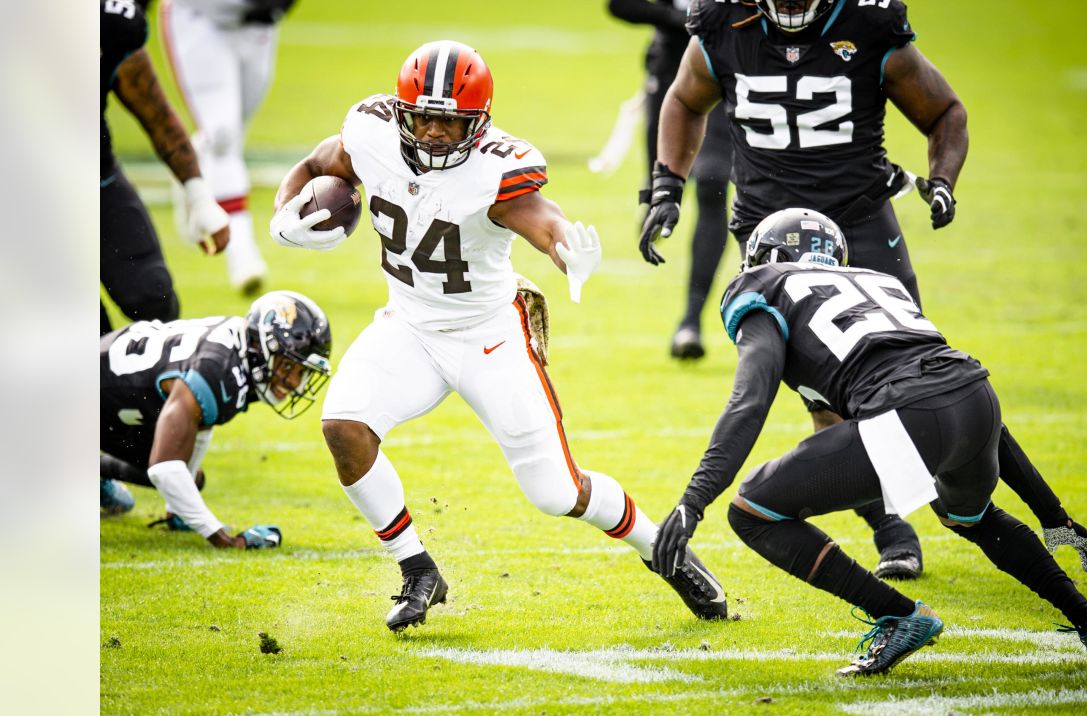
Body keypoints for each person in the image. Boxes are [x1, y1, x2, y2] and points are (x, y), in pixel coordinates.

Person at [268, 41, 728, 632]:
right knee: (344, 427)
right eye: (423, 117)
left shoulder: (496, 167)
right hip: (409, 323)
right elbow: (315, 166)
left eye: (449, 121)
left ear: (479, 123)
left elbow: (544, 222)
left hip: (489, 335)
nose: (433, 132)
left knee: (556, 491)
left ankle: (662, 547)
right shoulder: (371, 131)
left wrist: (570, 255)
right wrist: (285, 215)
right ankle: (417, 570)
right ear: (402, 111)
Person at [639, 0, 1070, 582]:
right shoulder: (723, 23)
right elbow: (686, 99)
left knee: (914, 364)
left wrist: (942, 181)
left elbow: (945, 111)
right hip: (773, 235)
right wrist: (667, 185)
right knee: (826, 390)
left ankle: (960, 504)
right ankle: (892, 524)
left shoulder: (868, 23)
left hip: (861, 219)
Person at [651, 208, 1087, 675]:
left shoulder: (764, 286)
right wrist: (1053, 515)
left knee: (753, 510)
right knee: (970, 515)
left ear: (764, 255)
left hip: (908, 414)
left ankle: (898, 613)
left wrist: (693, 503)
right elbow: (950, 389)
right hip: (977, 398)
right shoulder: (876, 281)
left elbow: (749, 402)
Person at [100, 290, 333, 550]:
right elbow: (164, 468)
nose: (293, 382)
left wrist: (179, 512)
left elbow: (202, 419)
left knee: (189, 480)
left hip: (116, 399)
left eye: (302, 373)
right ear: (267, 345)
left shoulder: (239, 348)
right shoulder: (216, 367)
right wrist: (226, 540)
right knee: (176, 473)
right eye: (290, 366)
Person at [606, 0, 734, 359]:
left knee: (712, 182)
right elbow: (620, 5)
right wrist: (681, 21)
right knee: (661, 188)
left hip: (725, 73)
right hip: (669, 77)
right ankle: (654, 200)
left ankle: (690, 320)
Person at [101, 0, 231, 335]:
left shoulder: (110, 22)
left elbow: (156, 114)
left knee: (153, 296)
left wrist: (199, 195)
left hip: (95, 179)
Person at [159, 0, 297, 294]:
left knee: (230, 133)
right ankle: (241, 254)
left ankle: (189, 162)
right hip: (201, 15)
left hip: (258, 21)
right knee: (222, 134)